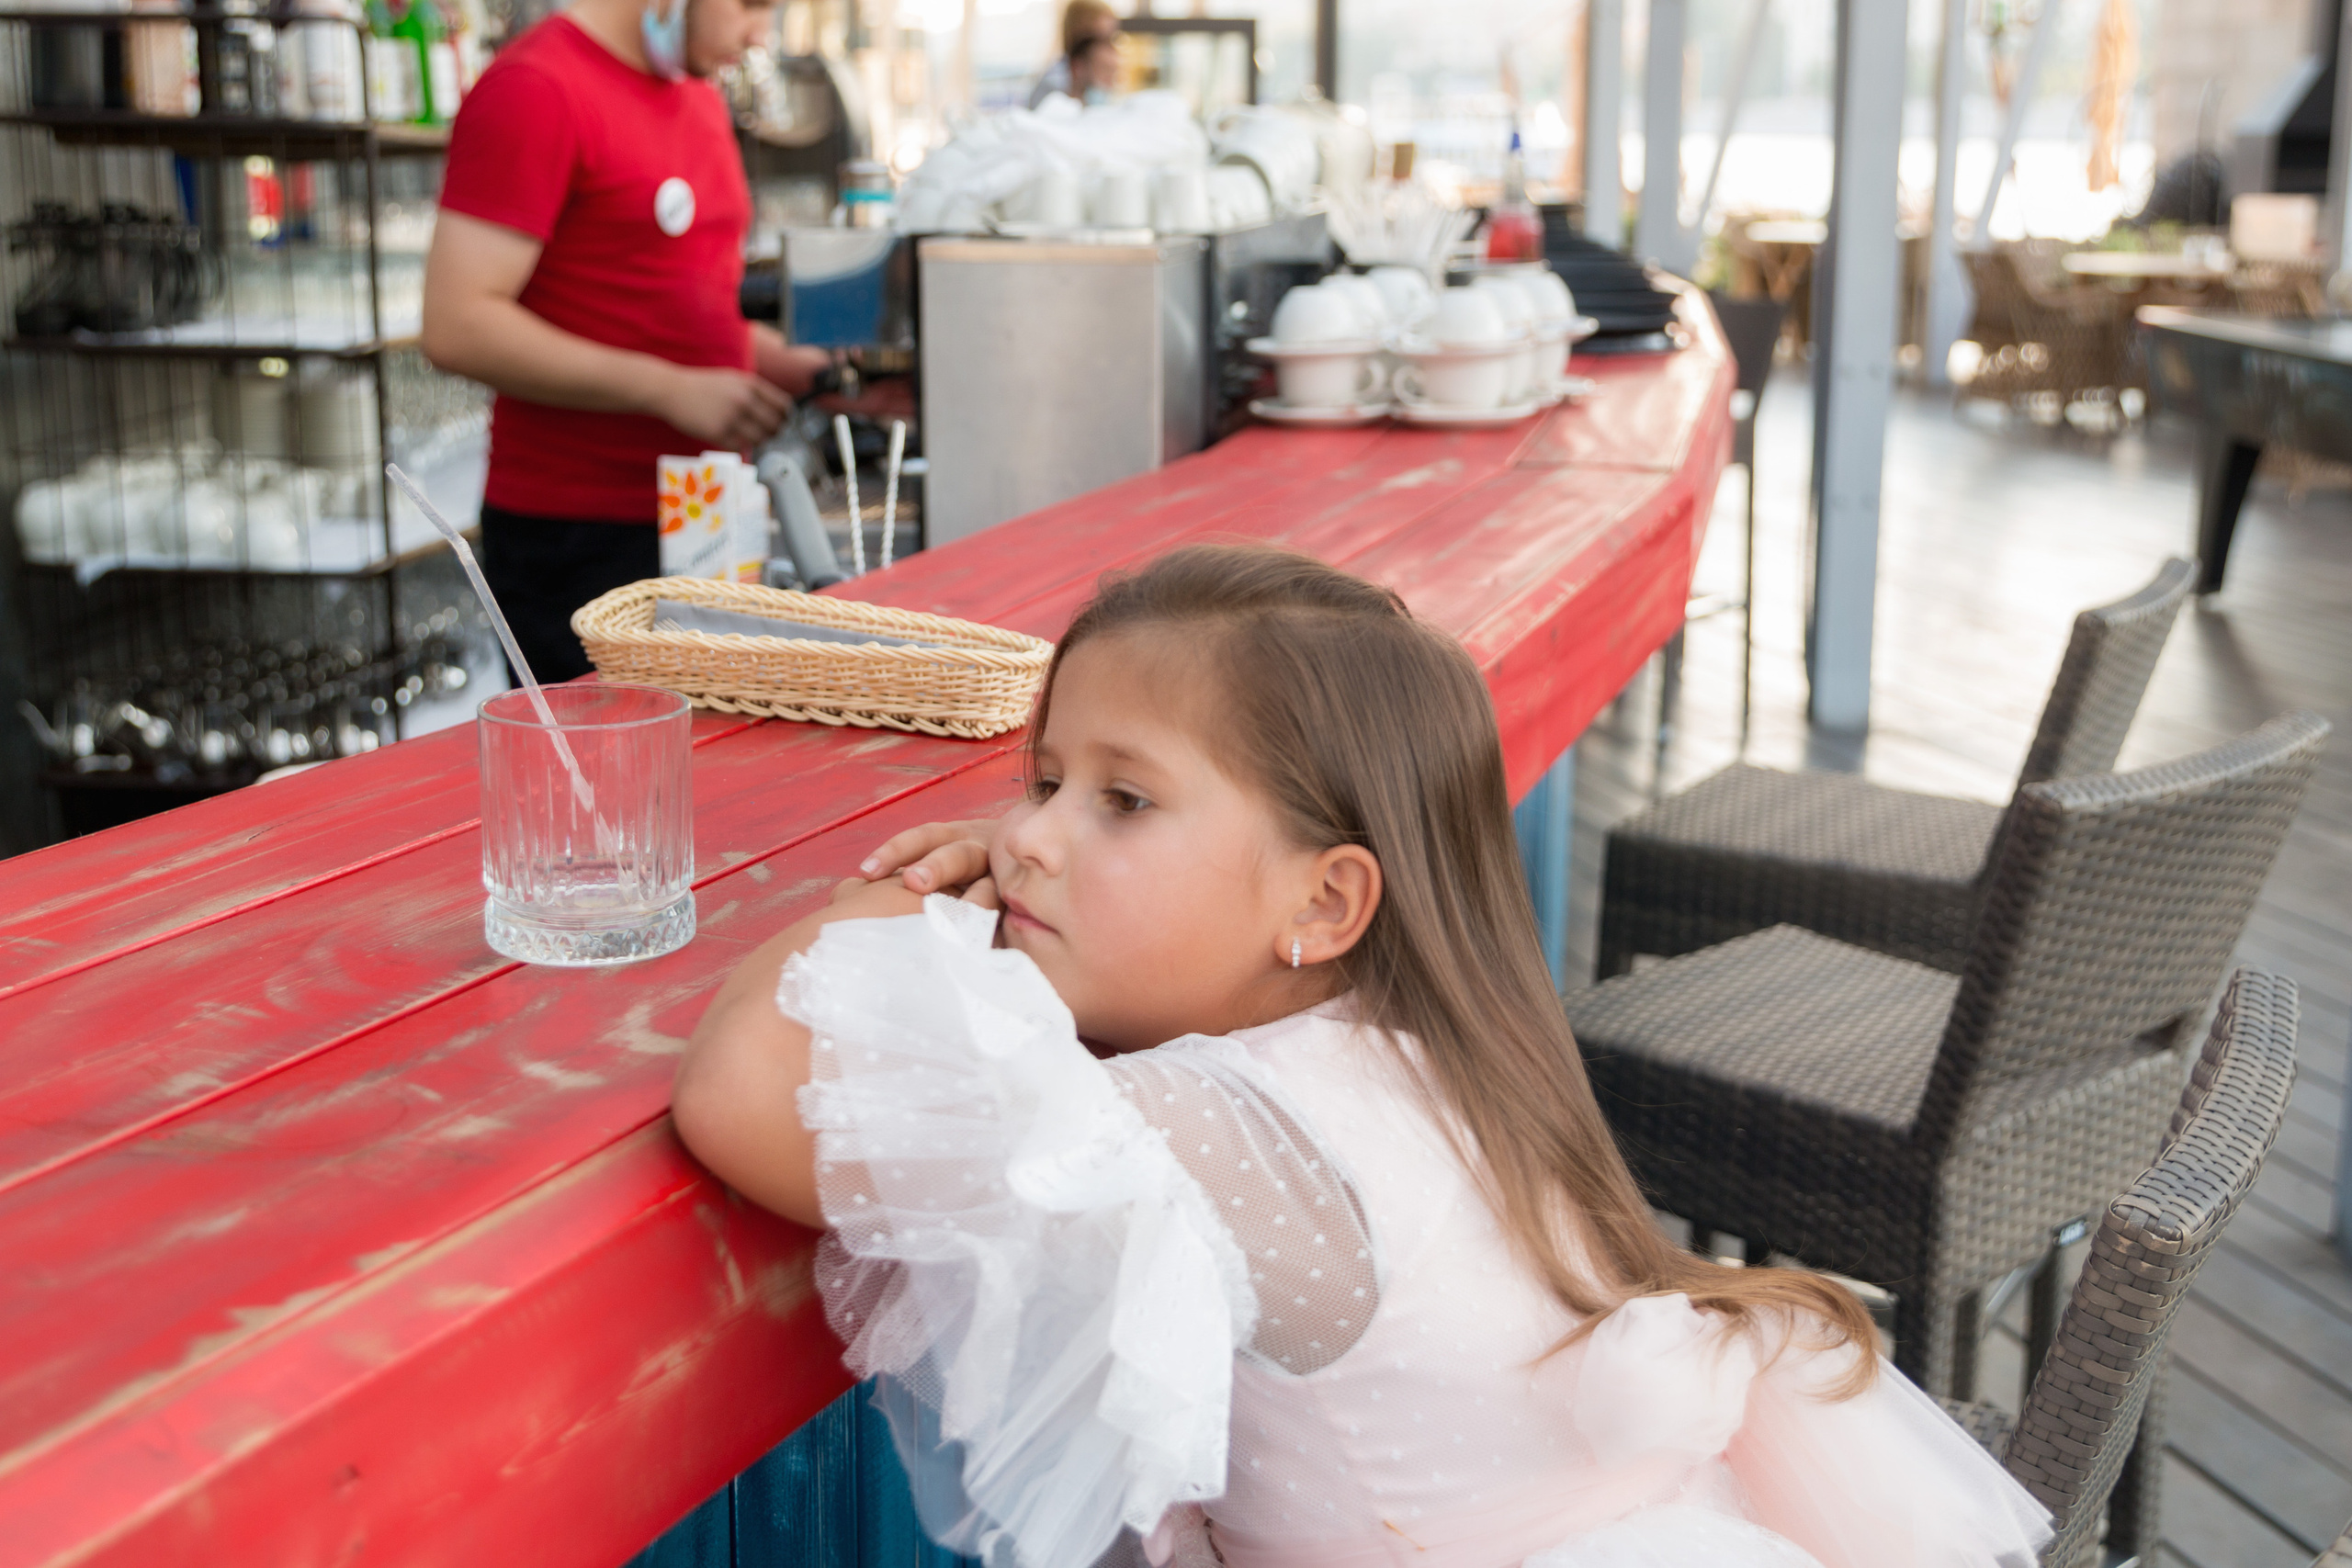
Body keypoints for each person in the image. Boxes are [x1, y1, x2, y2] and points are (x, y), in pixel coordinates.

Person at [673, 546, 2054, 1568]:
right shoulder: (1424, 1041)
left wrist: (884, 914)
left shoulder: (1225, 1127)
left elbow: (740, 1095)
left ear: (1326, 903)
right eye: (1046, 780)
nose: (1026, 835)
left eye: (1124, 798)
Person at [421, 0, 832, 681]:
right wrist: (664, 389)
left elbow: (668, 300)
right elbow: (457, 323)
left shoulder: (695, 94)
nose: (762, 34)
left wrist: (809, 370)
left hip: (705, 519)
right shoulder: (537, 89)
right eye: (752, 4)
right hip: (580, 538)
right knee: (613, 781)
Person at [1025, 0, 1118, 109]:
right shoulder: (1051, 88)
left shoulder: (1094, 89)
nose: (1112, 51)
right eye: (1103, 40)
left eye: (1112, 39)